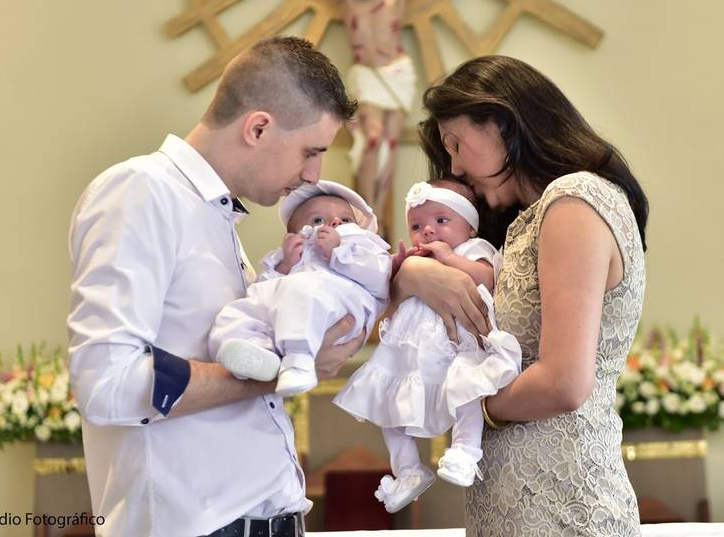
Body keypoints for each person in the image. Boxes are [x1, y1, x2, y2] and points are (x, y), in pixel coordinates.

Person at [67, 36, 362, 537]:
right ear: (259, 127)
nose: (313, 175)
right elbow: (106, 382)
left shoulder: (216, 217)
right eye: (310, 152)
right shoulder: (142, 192)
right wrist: (279, 374)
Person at [390, 55, 650, 536]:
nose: (455, 166)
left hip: (564, 502)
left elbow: (563, 383)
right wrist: (416, 277)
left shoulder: (574, 200)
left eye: (457, 144)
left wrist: (474, 408)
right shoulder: (522, 224)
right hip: (508, 500)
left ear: (503, 124)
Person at [333, 179, 521, 513]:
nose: (428, 232)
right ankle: (407, 469)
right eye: (417, 226)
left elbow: (486, 278)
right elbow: (384, 291)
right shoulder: (415, 261)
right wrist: (400, 266)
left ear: (470, 227)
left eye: (441, 221)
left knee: (466, 394)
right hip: (410, 352)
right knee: (385, 406)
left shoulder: (472, 251)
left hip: (457, 349)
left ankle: (465, 451)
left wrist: (449, 259)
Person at [271, 0, 458, 235]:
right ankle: (366, 207)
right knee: (371, 140)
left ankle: (377, 214)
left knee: (389, 145)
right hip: (367, 76)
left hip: (396, 72)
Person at [209, 180, 391, 397]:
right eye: (317, 219)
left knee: (303, 288)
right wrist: (284, 266)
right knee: (240, 308)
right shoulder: (292, 256)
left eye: (345, 219)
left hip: (339, 305)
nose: (334, 222)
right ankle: (254, 351)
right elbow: (265, 289)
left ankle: (299, 361)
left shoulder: (361, 244)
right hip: (292, 302)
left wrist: (339, 253)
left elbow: (380, 279)